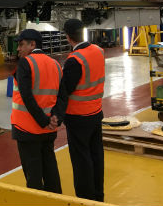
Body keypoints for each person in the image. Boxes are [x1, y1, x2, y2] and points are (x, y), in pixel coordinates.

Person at [50, 19, 105, 202]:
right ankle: (98, 196)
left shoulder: (75, 60)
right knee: (96, 155)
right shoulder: (98, 51)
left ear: (68, 37)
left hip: (78, 117)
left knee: (81, 160)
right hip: (96, 113)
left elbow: (66, 89)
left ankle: (85, 199)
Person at [11, 29, 63, 193]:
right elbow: (62, 95)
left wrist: (43, 121)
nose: (18, 49)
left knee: (33, 175)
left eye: (21, 45)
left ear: (32, 44)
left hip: (27, 129)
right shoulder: (55, 64)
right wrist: (55, 118)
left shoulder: (26, 63)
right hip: (49, 130)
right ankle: (56, 200)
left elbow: (27, 97)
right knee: (50, 169)